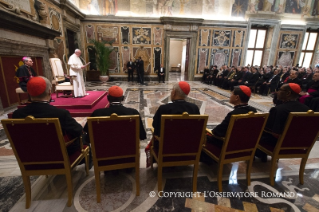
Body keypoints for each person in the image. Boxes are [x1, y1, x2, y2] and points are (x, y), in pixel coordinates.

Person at [12, 77, 84, 156]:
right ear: (50, 92)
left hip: (30, 156)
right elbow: (78, 130)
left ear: (29, 93)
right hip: (57, 156)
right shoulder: (60, 114)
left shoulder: (17, 114)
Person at [201, 86, 257, 164]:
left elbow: (217, 132)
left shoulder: (234, 115)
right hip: (244, 147)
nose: (230, 96)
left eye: (232, 94)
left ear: (237, 97)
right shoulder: (254, 111)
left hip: (228, 149)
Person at [256, 83, 310, 162]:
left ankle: (259, 155)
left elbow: (270, 130)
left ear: (288, 93)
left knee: (256, 132)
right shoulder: (307, 109)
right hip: (299, 145)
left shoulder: (279, 109)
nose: (277, 92)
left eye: (280, 90)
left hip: (279, 144)